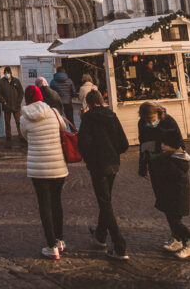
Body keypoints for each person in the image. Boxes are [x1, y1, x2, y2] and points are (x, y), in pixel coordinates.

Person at [138, 103, 190, 261]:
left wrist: (155, 148)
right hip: (157, 169)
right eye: (147, 120)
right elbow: (143, 145)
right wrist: (143, 165)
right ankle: (177, 239)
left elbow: (177, 146)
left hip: (170, 168)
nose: (150, 122)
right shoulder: (142, 123)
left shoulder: (168, 122)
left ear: (158, 114)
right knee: (166, 207)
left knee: (172, 209)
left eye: (152, 119)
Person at [77, 89, 129, 260]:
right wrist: (113, 152)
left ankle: (119, 245)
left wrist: (90, 158)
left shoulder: (88, 119)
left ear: (88, 103)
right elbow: (124, 143)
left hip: (98, 165)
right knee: (105, 199)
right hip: (113, 164)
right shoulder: (111, 116)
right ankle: (100, 234)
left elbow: (83, 144)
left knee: (105, 202)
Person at [20, 85, 68, 260]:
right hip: (58, 166)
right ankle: (60, 240)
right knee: (57, 202)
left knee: (44, 205)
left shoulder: (24, 118)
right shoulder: (54, 112)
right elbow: (64, 128)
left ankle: (51, 246)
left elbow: (25, 136)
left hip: (38, 167)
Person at [0, 67, 24, 143]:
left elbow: (21, 92)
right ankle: (8, 137)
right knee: (7, 123)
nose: (6, 74)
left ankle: (21, 136)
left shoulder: (16, 81)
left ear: (11, 73)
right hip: (6, 106)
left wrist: (18, 102)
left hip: (16, 106)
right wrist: (3, 101)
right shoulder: (1, 82)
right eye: (5, 73)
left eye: (7, 73)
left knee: (19, 122)